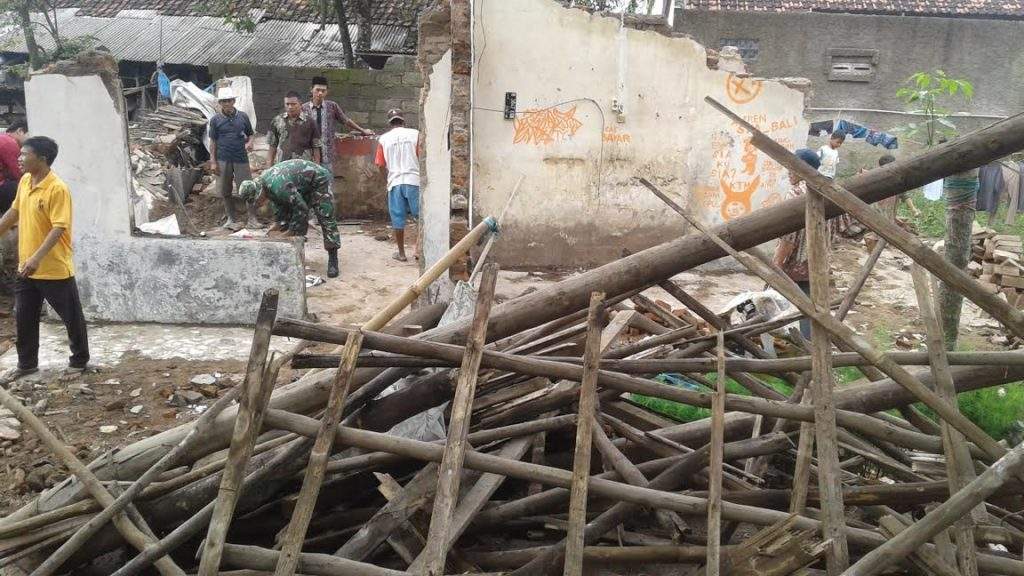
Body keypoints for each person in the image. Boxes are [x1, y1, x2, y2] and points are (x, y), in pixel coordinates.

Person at [0, 136, 89, 378]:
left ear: (42, 159)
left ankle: (79, 361)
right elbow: (14, 211)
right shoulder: (26, 181)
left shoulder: (57, 188)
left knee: (70, 316)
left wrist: (36, 258)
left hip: (52, 267)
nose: (18, 158)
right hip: (25, 266)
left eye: (24, 154)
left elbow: (58, 228)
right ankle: (26, 364)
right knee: (24, 317)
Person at [239, 159, 340, 278]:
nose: (260, 203)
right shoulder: (265, 184)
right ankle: (294, 255)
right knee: (291, 222)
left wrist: (291, 231)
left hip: (317, 179)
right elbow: (280, 204)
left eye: (258, 200)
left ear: (259, 192)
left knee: (325, 215)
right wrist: (279, 223)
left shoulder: (279, 186)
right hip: (302, 183)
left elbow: (301, 209)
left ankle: (333, 258)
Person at [773, 148, 823, 339]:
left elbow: (789, 236)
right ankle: (811, 346)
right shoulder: (821, 189)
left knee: (772, 302)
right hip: (816, 260)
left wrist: (777, 263)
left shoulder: (795, 194)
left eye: (792, 167)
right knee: (810, 307)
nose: (788, 171)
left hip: (794, 262)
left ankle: (772, 344)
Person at [207, 87, 258, 230]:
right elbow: (213, 142)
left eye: (229, 101)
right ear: (220, 103)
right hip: (223, 158)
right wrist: (213, 162)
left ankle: (252, 218)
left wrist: (250, 142)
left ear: (234, 101)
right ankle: (231, 218)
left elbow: (251, 134)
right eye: (223, 101)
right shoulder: (215, 120)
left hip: (240, 157)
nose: (227, 104)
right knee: (225, 190)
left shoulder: (243, 117)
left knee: (248, 188)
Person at [375, 109, 421, 262]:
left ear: (389, 123)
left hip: (395, 182)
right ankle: (420, 251)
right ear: (403, 121)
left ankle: (401, 254)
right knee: (420, 218)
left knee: (397, 219)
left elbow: (380, 165)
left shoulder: (383, 139)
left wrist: (386, 180)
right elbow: (422, 156)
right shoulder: (415, 134)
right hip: (414, 180)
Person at [303, 76, 372, 175]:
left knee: (327, 184)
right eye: (317, 90)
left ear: (327, 92)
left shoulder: (332, 106)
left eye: (323, 90)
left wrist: (363, 131)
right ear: (311, 90)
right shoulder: (303, 109)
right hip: (308, 155)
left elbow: (346, 120)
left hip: (327, 155)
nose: (320, 93)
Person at [267, 91, 321, 167]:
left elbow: (316, 147)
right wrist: (269, 168)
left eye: (293, 104)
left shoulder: (310, 122)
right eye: (287, 104)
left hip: (304, 167)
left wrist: (317, 168)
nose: (290, 107)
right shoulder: (277, 121)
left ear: (300, 104)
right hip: (282, 167)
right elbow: (272, 146)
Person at [0, 120, 27, 214]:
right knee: (24, 187)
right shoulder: (10, 143)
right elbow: (19, 172)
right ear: (20, 131)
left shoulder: (3, 138)